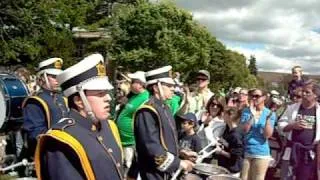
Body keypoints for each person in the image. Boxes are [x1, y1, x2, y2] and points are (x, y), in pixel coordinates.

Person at [34, 54, 124, 180]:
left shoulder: (109, 127)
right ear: (79, 101)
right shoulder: (61, 141)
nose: (108, 98)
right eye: (100, 94)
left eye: (107, 93)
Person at [134, 65, 194, 180]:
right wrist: (179, 164)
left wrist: (181, 153)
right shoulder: (147, 111)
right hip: (152, 174)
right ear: (157, 87)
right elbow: (151, 148)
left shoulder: (164, 107)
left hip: (165, 173)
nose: (173, 89)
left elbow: (166, 141)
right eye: (169, 86)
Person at [22, 57, 68, 158]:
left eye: (59, 76)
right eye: (53, 76)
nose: (57, 80)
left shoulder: (62, 98)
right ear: (42, 77)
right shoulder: (35, 102)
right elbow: (35, 133)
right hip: (46, 154)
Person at [278, 80, 320, 180]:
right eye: (303, 91)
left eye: (307, 92)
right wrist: (292, 126)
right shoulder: (292, 108)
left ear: (315, 95)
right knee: (286, 177)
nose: (303, 94)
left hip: (309, 153)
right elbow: (280, 124)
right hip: (292, 149)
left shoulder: (318, 111)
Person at [240, 88, 276, 180]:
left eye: (257, 96)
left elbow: (267, 135)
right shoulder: (246, 111)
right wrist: (252, 115)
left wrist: (267, 119)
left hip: (261, 152)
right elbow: (244, 130)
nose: (254, 98)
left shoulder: (269, 113)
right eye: (252, 96)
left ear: (264, 97)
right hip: (247, 151)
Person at [116, 71, 149, 170]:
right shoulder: (133, 96)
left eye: (133, 81)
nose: (130, 84)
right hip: (122, 140)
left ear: (140, 84)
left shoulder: (146, 98)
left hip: (131, 142)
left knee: (129, 168)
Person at [215, 107, 244, 177]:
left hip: (232, 171)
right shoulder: (228, 129)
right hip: (224, 167)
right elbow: (229, 146)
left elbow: (236, 155)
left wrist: (220, 152)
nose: (223, 115)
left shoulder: (236, 135)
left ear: (229, 116)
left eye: (225, 114)